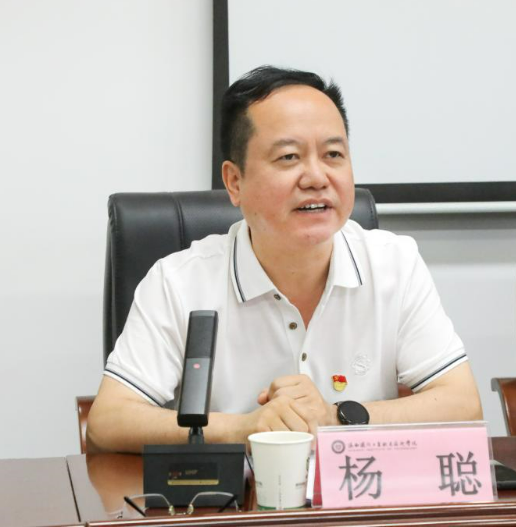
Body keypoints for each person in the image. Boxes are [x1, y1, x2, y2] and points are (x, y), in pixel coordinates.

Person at [87, 66, 482, 453]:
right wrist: (240, 428)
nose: (317, 177)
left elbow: (463, 405)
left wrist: (335, 417)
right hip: (233, 495)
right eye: (289, 157)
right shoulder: (178, 282)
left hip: (356, 492)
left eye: (333, 154)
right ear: (235, 182)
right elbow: (108, 421)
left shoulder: (395, 263)